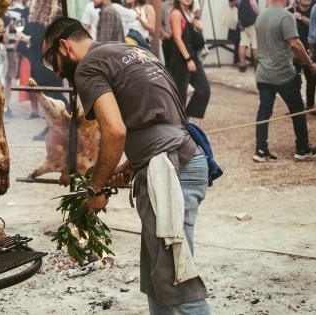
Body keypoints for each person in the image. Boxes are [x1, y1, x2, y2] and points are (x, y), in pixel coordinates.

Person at [41, 17, 212, 314]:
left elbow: (115, 131)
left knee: (178, 282)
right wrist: (128, 164)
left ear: (64, 46)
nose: (55, 71)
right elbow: (162, 119)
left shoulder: (88, 67)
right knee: (158, 279)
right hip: (182, 157)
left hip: (172, 169)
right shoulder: (130, 51)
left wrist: (96, 186)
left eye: (51, 61)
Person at [253, 0, 316, 162]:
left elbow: (271, 45)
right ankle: (302, 148)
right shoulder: (286, 16)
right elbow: (295, 44)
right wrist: (310, 64)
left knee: (264, 112)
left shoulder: (261, 17)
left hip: (263, 72)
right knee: (298, 109)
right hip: (282, 73)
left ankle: (260, 150)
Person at [16, 0, 69, 140]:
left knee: (52, 94)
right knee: (51, 93)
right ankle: (59, 125)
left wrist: (23, 38)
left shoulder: (54, 14)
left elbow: (40, 39)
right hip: (43, 59)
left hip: (46, 60)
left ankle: (64, 125)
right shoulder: (47, 13)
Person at [169, 0, 210, 123]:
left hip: (193, 57)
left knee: (204, 90)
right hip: (181, 59)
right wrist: (188, 59)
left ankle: (185, 119)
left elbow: (194, 40)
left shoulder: (189, 14)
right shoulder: (176, 13)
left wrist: (200, 29)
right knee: (180, 95)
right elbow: (177, 38)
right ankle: (178, 125)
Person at [288, 0, 316, 116]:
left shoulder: (315, 10)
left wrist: (300, 17)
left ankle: (310, 105)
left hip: (311, 51)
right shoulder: (290, 11)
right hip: (294, 52)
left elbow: (315, 25)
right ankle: (295, 108)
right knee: (294, 81)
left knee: (311, 81)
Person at [237, 0, 259, 72]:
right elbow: (252, 3)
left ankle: (242, 64)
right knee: (255, 43)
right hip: (252, 23)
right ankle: (257, 65)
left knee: (243, 43)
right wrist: (259, 13)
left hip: (243, 23)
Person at [222, 0, 240, 67]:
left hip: (242, 20)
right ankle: (236, 61)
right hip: (236, 22)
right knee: (238, 42)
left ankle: (237, 60)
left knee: (240, 42)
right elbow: (231, 4)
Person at [161, 0, 174, 67]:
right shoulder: (163, 5)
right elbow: (159, 23)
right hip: (168, 38)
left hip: (181, 38)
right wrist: (164, 34)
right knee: (168, 63)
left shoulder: (182, 4)